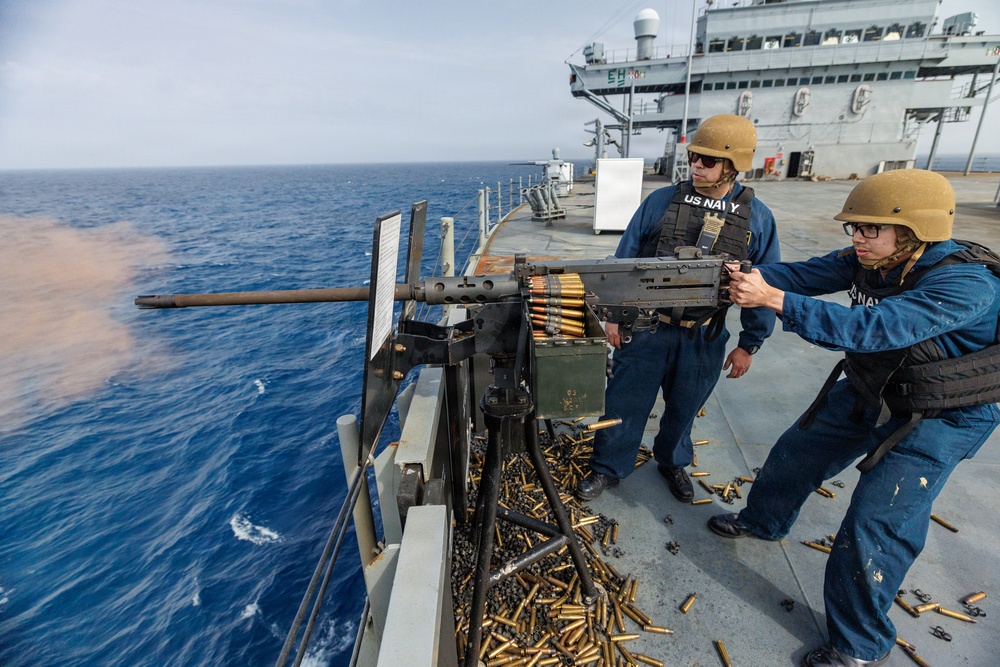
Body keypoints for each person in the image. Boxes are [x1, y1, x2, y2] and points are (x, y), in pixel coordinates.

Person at [708, 169, 1000, 667]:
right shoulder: (878, 259)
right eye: (855, 228)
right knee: (795, 454)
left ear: (911, 232)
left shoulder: (965, 284)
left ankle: (858, 646)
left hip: (943, 413)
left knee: (876, 523)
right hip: (878, 385)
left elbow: (873, 327)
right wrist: (740, 272)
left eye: (870, 229)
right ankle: (764, 520)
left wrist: (772, 300)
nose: (858, 239)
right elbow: (805, 274)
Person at [576, 114, 781, 502]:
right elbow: (625, 262)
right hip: (648, 328)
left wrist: (749, 344)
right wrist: (615, 320)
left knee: (685, 407)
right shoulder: (661, 202)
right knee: (624, 401)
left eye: (708, 160)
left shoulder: (759, 219)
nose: (696, 166)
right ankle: (607, 467)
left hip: (704, 336)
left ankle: (672, 461)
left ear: (733, 166)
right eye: (694, 157)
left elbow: (764, 285)